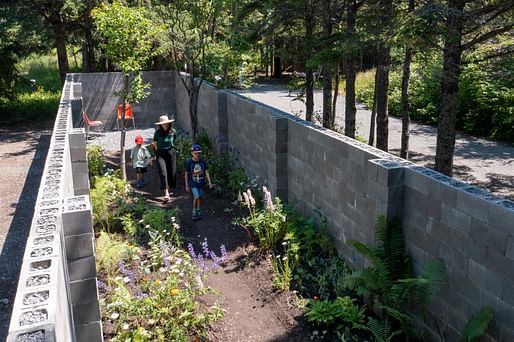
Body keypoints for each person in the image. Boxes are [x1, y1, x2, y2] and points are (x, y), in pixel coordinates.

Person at [152, 114, 177, 201]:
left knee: (172, 172)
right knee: (163, 172)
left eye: (166, 123)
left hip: (171, 153)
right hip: (160, 154)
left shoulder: (173, 131)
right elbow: (154, 144)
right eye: (163, 123)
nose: (165, 124)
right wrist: (156, 152)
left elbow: (174, 140)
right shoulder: (157, 133)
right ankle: (166, 192)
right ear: (160, 125)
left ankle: (169, 187)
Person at [185, 143, 212, 221]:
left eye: (199, 153)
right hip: (193, 183)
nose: (197, 155)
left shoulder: (202, 161)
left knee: (200, 197)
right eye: (195, 153)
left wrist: (209, 182)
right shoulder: (189, 162)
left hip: (201, 183)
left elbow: (206, 171)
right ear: (192, 153)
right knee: (196, 196)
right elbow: (186, 174)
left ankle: (198, 211)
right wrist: (186, 185)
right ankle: (194, 211)